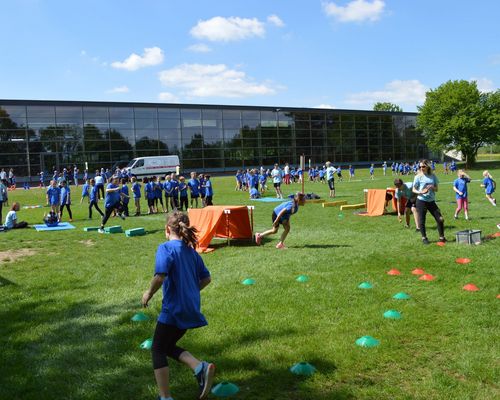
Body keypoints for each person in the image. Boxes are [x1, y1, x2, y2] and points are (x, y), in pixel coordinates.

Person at [141, 211, 215, 400]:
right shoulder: (192, 252)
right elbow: (206, 278)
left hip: (173, 309)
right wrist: (190, 290)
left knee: (157, 349)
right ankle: (199, 368)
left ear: (167, 229)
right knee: (168, 345)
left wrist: (148, 293)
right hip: (191, 308)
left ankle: (165, 397)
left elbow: (160, 275)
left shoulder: (166, 248)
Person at [412, 160, 446, 245]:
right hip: (421, 201)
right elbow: (413, 189)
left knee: (440, 219)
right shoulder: (418, 177)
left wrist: (432, 187)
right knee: (422, 220)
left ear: (427, 166)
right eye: (420, 167)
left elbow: (437, 189)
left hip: (431, 201)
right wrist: (420, 192)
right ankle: (424, 238)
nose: (421, 168)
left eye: (423, 166)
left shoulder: (432, 176)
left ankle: (442, 237)